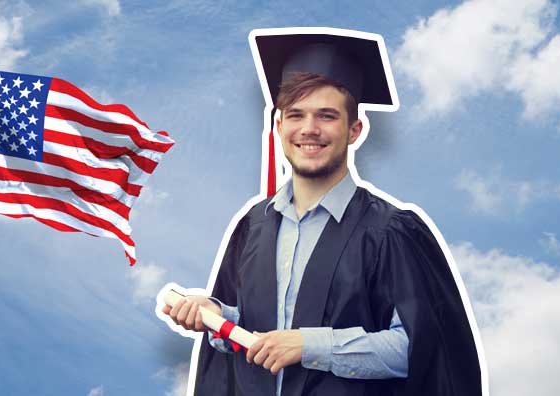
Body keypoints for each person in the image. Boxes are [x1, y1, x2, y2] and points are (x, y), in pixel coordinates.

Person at [161, 29, 482, 396]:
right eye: (296, 115)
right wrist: (216, 316)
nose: (309, 130)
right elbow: (253, 342)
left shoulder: (392, 230)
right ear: (280, 126)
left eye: (326, 116)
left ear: (354, 130)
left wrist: (311, 345)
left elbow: (424, 348)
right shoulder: (253, 226)